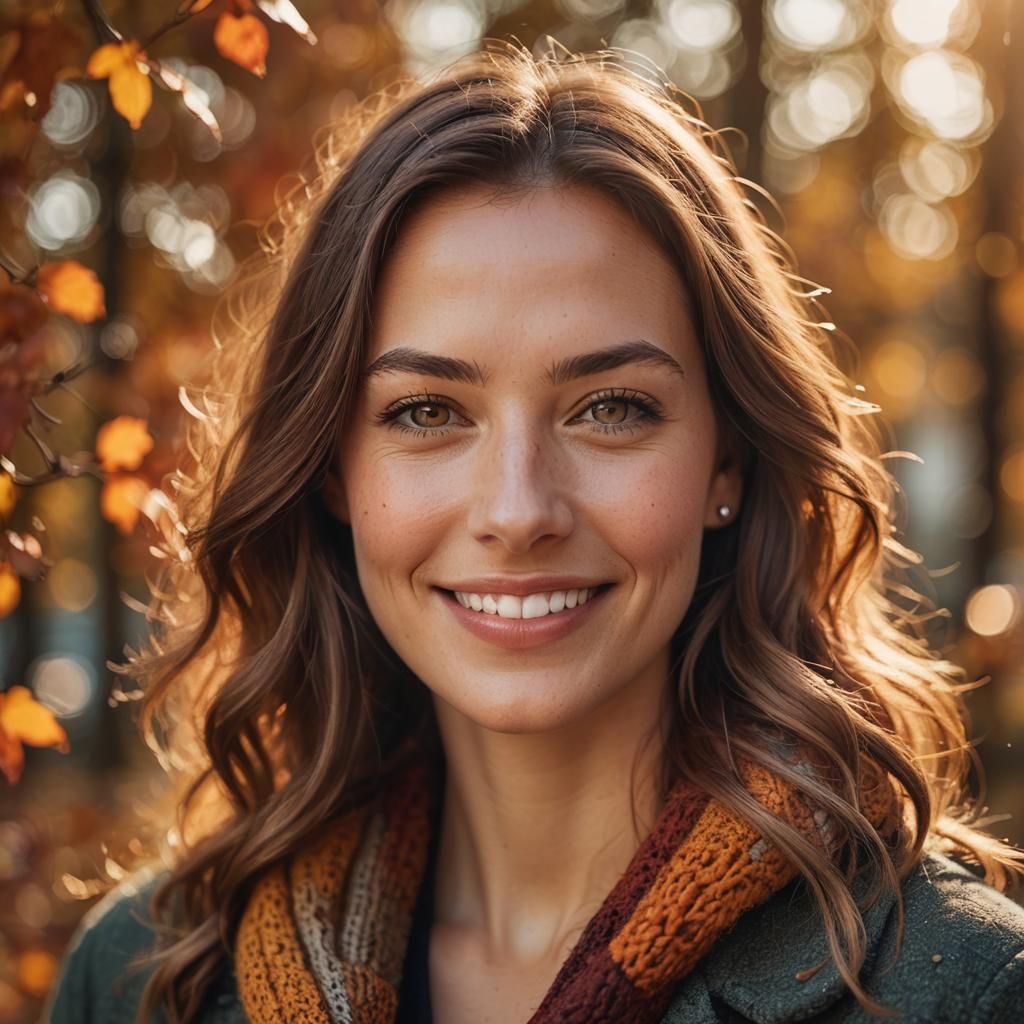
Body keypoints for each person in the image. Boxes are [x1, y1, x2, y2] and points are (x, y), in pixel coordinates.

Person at [45, 39, 1024, 1024]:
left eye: (610, 407)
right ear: (333, 470)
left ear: (725, 463)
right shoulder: (139, 974)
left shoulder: (958, 987)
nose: (517, 511)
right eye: (427, 411)